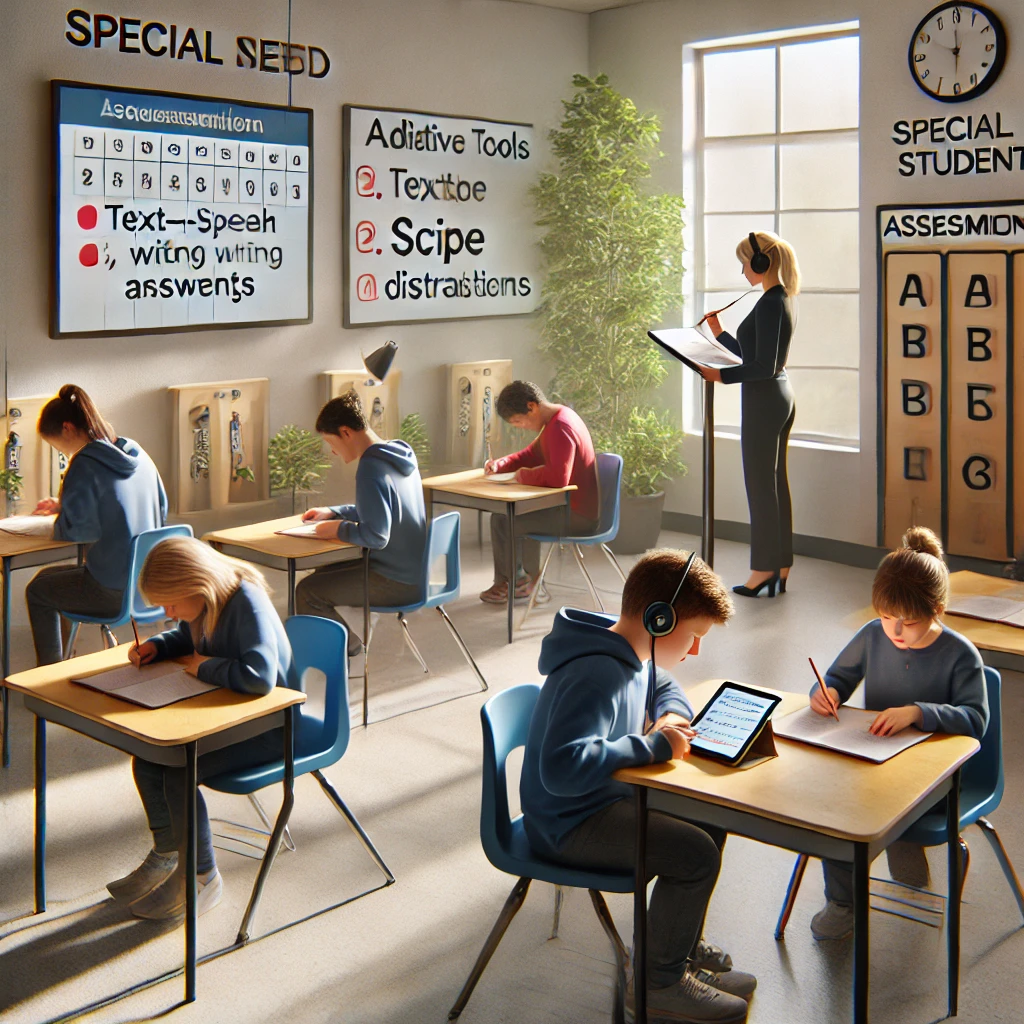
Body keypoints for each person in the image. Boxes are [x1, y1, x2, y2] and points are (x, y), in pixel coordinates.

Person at [521, 549, 756, 1023]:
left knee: (710, 822)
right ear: (660, 619)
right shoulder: (597, 673)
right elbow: (561, 769)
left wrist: (672, 716)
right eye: (693, 636)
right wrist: (651, 747)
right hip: (569, 823)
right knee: (695, 855)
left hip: (599, 802)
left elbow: (661, 680)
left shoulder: (627, 649)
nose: (695, 651)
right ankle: (657, 985)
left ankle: (676, 956)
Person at [807, 526, 989, 941]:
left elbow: (976, 721)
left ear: (938, 608)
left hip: (934, 779)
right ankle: (843, 901)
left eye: (908, 622)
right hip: (874, 761)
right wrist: (827, 691)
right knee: (831, 809)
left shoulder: (961, 654)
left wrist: (917, 713)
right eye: (887, 617)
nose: (895, 631)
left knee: (869, 812)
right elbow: (838, 674)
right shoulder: (873, 634)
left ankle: (899, 846)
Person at [111, 536, 295, 921]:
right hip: (233, 717)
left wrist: (204, 668)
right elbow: (190, 636)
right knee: (147, 759)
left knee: (178, 768)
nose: (168, 610)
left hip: (272, 728)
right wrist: (158, 646)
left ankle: (203, 876)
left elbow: (260, 677)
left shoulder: (246, 601)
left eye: (172, 602)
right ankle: (169, 854)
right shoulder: (207, 602)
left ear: (198, 583)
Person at [26, 384, 167, 665]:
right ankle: (61, 663)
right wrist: (65, 504)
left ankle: (48, 673)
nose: (62, 453)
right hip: (150, 582)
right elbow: (160, 506)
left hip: (112, 591)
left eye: (56, 446)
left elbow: (77, 532)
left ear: (67, 428)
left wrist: (62, 514)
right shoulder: (137, 454)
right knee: (46, 579)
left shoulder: (84, 463)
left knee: (37, 591)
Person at [702, 232, 800, 598]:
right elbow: (752, 355)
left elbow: (763, 365)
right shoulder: (776, 299)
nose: (743, 270)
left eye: (745, 262)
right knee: (774, 485)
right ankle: (780, 566)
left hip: (765, 400)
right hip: (775, 397)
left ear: (762, 263)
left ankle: (762, 571)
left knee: (761, 488)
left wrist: (721, 376)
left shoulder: (772, 302)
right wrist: (719, 335)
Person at [296, 391, 427, 655]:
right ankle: (351, 640)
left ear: (345, 432)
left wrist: (337, 528)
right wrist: (334, 511)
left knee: (308, 591)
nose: (332, 451)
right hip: (414, 571)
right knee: (324, 574)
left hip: (396, 581)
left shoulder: (370, 467)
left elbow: (377, 536)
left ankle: (340, 652)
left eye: (330, 442)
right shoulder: (398, 453)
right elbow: (387, 509)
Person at [480, 381, 598, 605]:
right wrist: (500, 464)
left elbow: (557, 478)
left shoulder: (561, 427)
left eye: (517, 420)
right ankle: (518, 581)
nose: (519, 426)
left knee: (507, 519)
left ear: (531, 406)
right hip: (569, 507)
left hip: (579, 515)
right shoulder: (558, 419)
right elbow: (530, 455)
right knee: (506, 516)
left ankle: (526, 583)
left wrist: (522, 475)